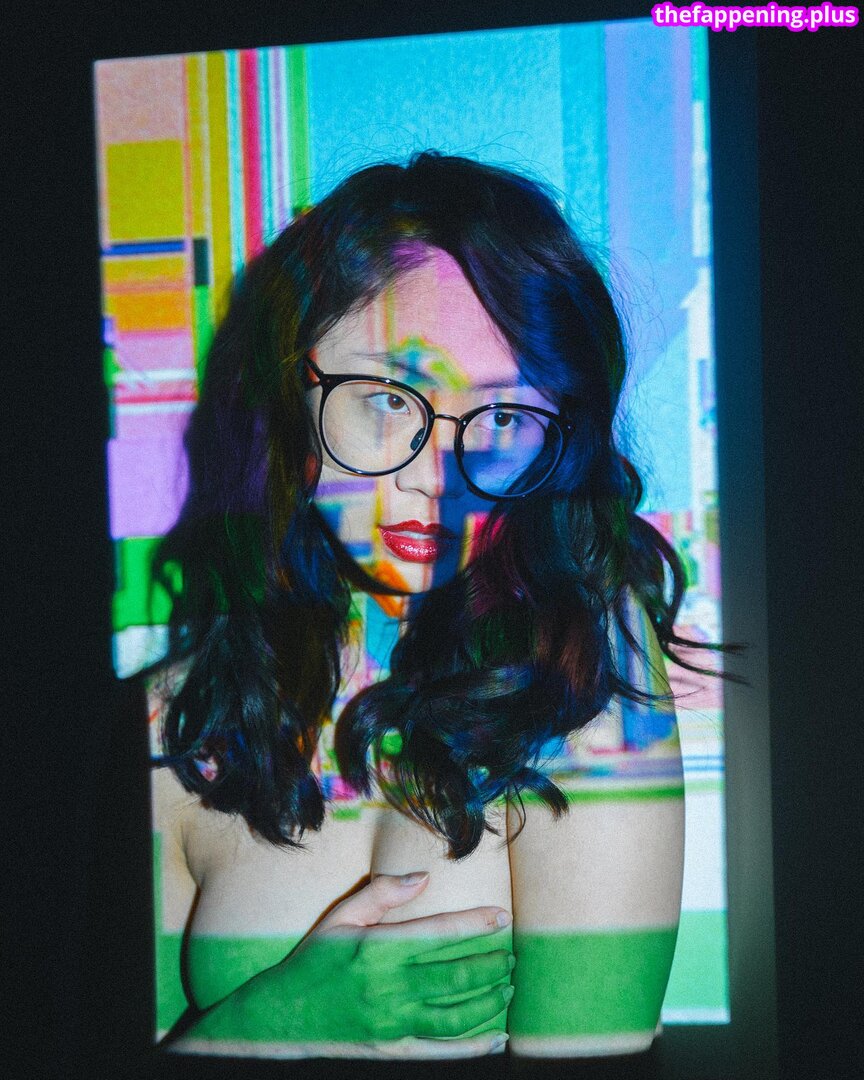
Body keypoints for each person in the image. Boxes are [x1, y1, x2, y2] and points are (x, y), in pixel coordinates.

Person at [146, 152, 712, 1061]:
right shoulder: (177, 715)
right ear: (290, 395)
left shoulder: (585, 676)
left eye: (501, 418)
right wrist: (274, 1021)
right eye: (385, 400)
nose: (438, 483)